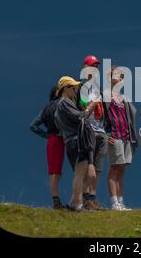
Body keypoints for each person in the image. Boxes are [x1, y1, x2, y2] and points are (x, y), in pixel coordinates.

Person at [54, 76, 97, 211]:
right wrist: (91, 106)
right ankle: (77, 204)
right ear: (65, 89)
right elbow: (81, 116)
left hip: (75, 141)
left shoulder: (63, 104)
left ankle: (74, 203)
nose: (76, 90)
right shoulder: (64, 102)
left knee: (85, 173)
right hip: (75, 141)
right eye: (74, 88)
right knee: (79, 173)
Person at [103, 66, 137, 210]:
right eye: (117, 76)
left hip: (126, 137)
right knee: (113, 168)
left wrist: (132, 138)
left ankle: (121, 202)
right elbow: (99, 117)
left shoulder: (125, 98)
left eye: (122, 77)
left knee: (121, 170)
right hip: (114, 135)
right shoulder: (105, 95)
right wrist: (105, 135)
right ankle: (114, 202)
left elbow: (131, 118)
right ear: (110, 78)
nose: (120, 79)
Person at [78, 55, 108, 210]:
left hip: (100, 130)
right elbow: (82, 109)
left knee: (97, 167)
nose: (95, 69)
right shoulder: (81, 87)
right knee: (87, 165)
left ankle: (92, 198)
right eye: (92, 66)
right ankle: (84, 199)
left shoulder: (97, 88)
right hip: (89, 129)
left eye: (96, 67)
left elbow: (103, 112)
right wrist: (92, 103)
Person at [29, 86, 66, 210]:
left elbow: (33, 126)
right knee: (56, 172)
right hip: (59, 139)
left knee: (54, 171)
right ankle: (56, 202)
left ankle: (56, 201)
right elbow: (32, 126)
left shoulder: (46, 108)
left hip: (52, 139)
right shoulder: (61, 104)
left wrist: (47, 136)